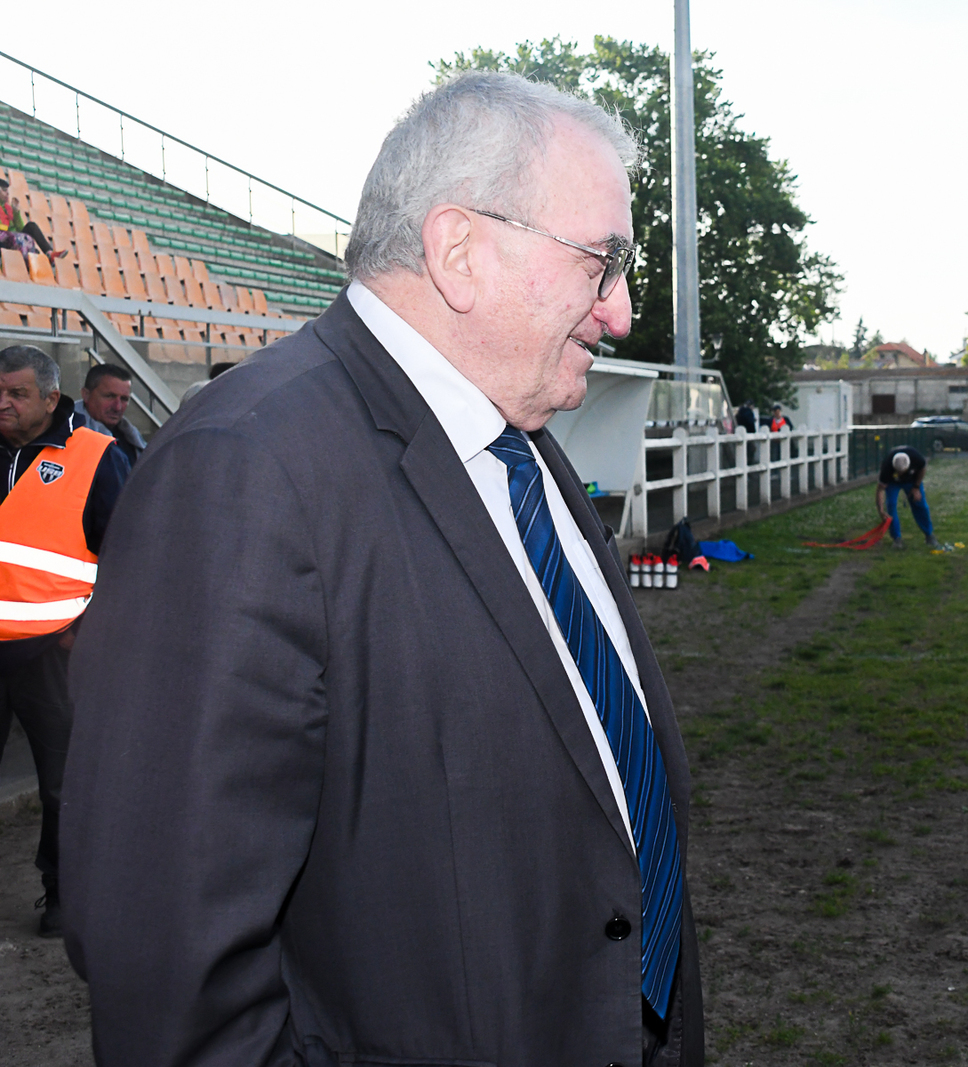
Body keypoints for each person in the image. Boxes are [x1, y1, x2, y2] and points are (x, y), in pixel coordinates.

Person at [61, 72, 702, 1067]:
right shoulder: (246, 466)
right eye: (600, 262)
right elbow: (170, 964)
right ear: (458, 250)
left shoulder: (519, 443)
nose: (618, 311)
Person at [0, 345, 128, 937]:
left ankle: (61, 894)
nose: (3, 403)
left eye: (17, 394)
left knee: (61, 781)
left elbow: (128, 554)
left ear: (51, 398)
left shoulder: (97, 455)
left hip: (50, 649)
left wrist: (89, 630)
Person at [75, 364, 147, 465]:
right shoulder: (65, 435)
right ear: (86, 395)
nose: (118, 407)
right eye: (109, 396)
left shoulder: (131, 438)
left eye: (124, 399)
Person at [877, 445, 935, 549]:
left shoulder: (916, 458)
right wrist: (881, 511)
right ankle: (897, 539)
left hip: (912, 481)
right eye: (898, 472)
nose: (900, 474)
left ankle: (929, 535)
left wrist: (916, 487)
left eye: (902, 472)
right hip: (893, 483)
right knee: (891, 505)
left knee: (920, 504)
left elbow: (922, 469)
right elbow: (880, 490)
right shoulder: (886, 466)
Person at [0, 180, 67, 260]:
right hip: (4, 240)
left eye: (8, 191)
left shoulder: (8, 208)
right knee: (21, 238)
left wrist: (16, 212)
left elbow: (20, 228)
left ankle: (49, 253)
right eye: (4, 190)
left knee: (31, 226)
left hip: (15, 238)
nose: (7, 193)